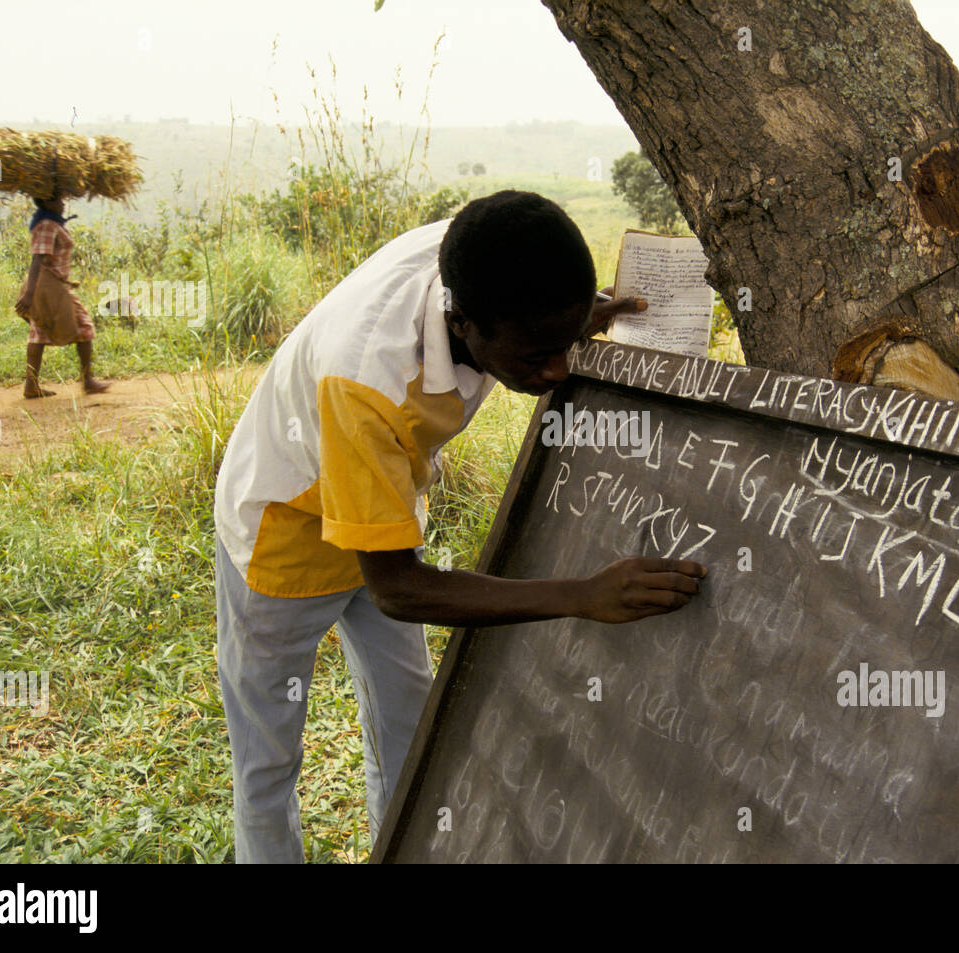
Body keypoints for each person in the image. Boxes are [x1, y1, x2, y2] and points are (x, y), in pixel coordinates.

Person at [213, 190, 708, 863]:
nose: (558, 370)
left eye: (565, 343)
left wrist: (575, 322)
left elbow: (529, 307)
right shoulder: (366, 377)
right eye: (536, 354)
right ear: (465, 320)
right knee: (268, 760)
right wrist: (580, 597)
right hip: (284, 538)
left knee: (409, 725)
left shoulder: (485, 256)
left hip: (385, 519)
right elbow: (396, 589)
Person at [15, 194, 109, 397]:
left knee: (40, 332)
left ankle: (33, 385)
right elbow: (37, 259)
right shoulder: (47, 225)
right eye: (57, 199)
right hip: (48, 286)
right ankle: (87, 380)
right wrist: (30, 294)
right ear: (46, 201)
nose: (62, 202)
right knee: (82, 326)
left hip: (53, 285)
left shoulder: (50, 223)